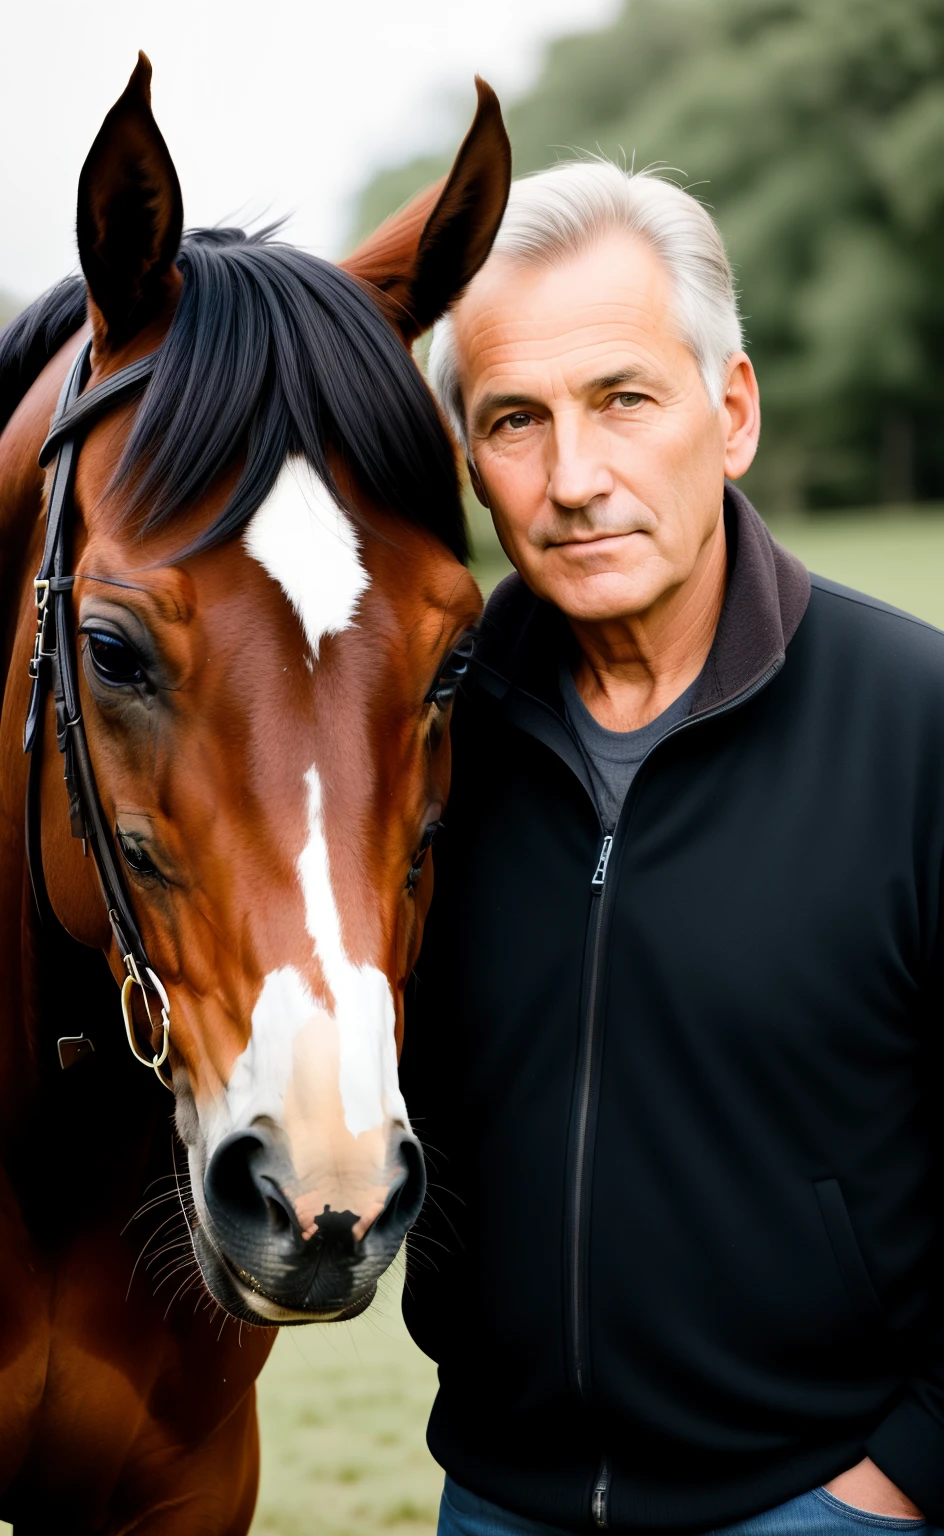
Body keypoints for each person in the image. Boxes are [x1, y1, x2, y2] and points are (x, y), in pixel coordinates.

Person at [399, 160, 944, 1536]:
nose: (574, 479)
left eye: (624, 400)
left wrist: (907, 1476)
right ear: (470, 459)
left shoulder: (918, 725)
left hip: (819, 1505)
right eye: (514, 420)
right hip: (499, 1497)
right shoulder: (419, 748)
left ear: (732, 411)